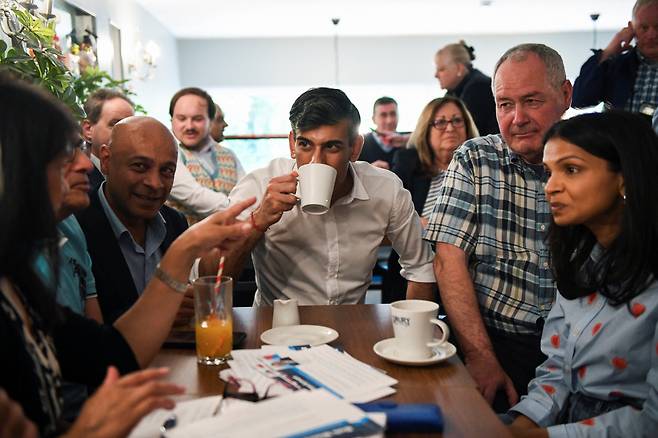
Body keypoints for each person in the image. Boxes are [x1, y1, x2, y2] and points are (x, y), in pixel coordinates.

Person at [0, 75, 254, 437]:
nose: (86, 165)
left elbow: (110, 351)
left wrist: (184, 250)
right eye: (64, 153)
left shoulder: (18, 286)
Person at [424, 43, 572, 412]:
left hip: (577, 345)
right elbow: (448, 260)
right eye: (505, 104)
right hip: (492, 340)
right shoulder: (475, 158)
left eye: (532, 101)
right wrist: (480, 356)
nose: (517, 118)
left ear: (566, 95)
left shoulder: (593, 159)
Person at [507, 111, 658, 438]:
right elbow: (558, 370)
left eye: (571, 170)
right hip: (560, 416)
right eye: (549, 172)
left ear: (625, 177)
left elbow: (652, 421)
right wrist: (524, 425)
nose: (550, 187)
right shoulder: (580, 259)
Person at [226, 87, 436, 305]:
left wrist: (415, 335)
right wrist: (258, 221)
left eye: (332, 146)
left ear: (355, 148)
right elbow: (212, 275)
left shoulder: (385, 188)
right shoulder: (259, 186)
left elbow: (420, 266)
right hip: (278, 329)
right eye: (305, 144)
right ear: (292, 144)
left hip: (352, 327)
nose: (316, 161)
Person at [76, 116, 189, 324]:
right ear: (106, 161)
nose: (155, 183)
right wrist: (157, 310)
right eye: (139, 166)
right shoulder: (78, 226)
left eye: (166, 171)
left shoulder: (175, 224)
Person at [382, 96, 478, 303]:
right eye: (440, 122)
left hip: (469, 274)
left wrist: (432, 226)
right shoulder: (408, 163)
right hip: (412, 274)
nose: (450, 128)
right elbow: (389, 216)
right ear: (427, 129)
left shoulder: (480, 171)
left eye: (457, 120)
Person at [168, 87, 245, 224]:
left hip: (232, 241)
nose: (189, 126)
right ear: (172, 121)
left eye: (197, 119)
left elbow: (246, 191)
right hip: (187, 244)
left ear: (210, 120)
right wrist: (242, 208)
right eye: (182, 119)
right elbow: (194, 196)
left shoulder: (229, 156)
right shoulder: (168, 155)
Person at [572, 0, 658, 115]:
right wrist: (608, 52)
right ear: (631, 28)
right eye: (644, 27)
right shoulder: (617, 66)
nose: (652, 35)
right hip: (617, 132)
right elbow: (579, 99)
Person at [434, 41, 499, 136]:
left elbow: (466, 133)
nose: (436, 75)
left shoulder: (478, 89)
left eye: (441, 69)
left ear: (459, 68)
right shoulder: (454, 91)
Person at [81, 88, 135, 192]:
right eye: (115, 124)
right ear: (88, 129)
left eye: (132, 126)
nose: (128, 133)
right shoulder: (78, 180)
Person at [359, 96, 404, 169]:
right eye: (383, 115)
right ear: (373, 119)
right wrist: (368, 170)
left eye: (393, 114)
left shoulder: (409, 142)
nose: (389, 120)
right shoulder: (361, 143)